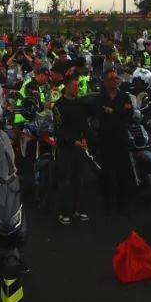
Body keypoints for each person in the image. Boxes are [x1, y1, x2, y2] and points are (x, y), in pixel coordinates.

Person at [91, 67, 134, 215]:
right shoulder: (100, 99)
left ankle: (123, 203)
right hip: (106, 139)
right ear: (104, 81)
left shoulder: (124, 96)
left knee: (123, 171)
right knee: (108, 172)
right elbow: (99, 114)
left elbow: (129, 114)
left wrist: (113, 111)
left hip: (121, 138)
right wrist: (119, 112)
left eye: (116, 78)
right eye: (111, 78)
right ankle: (108, 203)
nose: (115, 81)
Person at [53, 73, 90, 225]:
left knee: (79, 179)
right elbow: (59, 128)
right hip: (65, 148)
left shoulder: (80, 103)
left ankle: (79, 209)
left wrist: (85, 138)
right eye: (75, 86)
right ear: (67, 87)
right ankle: (64, 212)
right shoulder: (59, 105)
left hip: (79, 147)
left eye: (78, 85)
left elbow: (84, 123)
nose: (78, 88)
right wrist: (73, 141)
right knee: (65, 180)